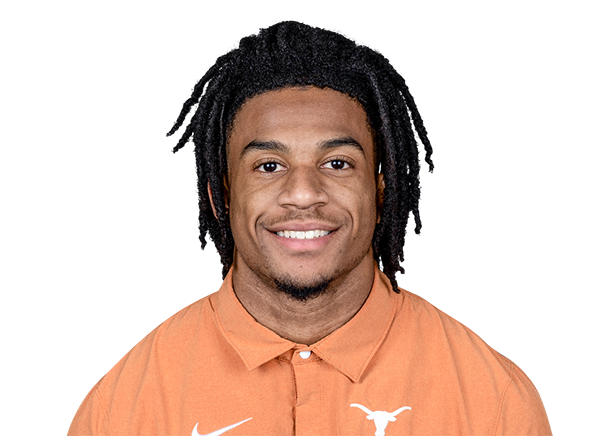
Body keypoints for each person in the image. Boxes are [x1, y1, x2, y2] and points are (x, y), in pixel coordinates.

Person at [69, 21, 551, 435]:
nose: (303, 194)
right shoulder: (127, 403)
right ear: (221, 198)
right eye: (268, 166)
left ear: (380, 193)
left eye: (337, 162)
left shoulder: (493, 401)